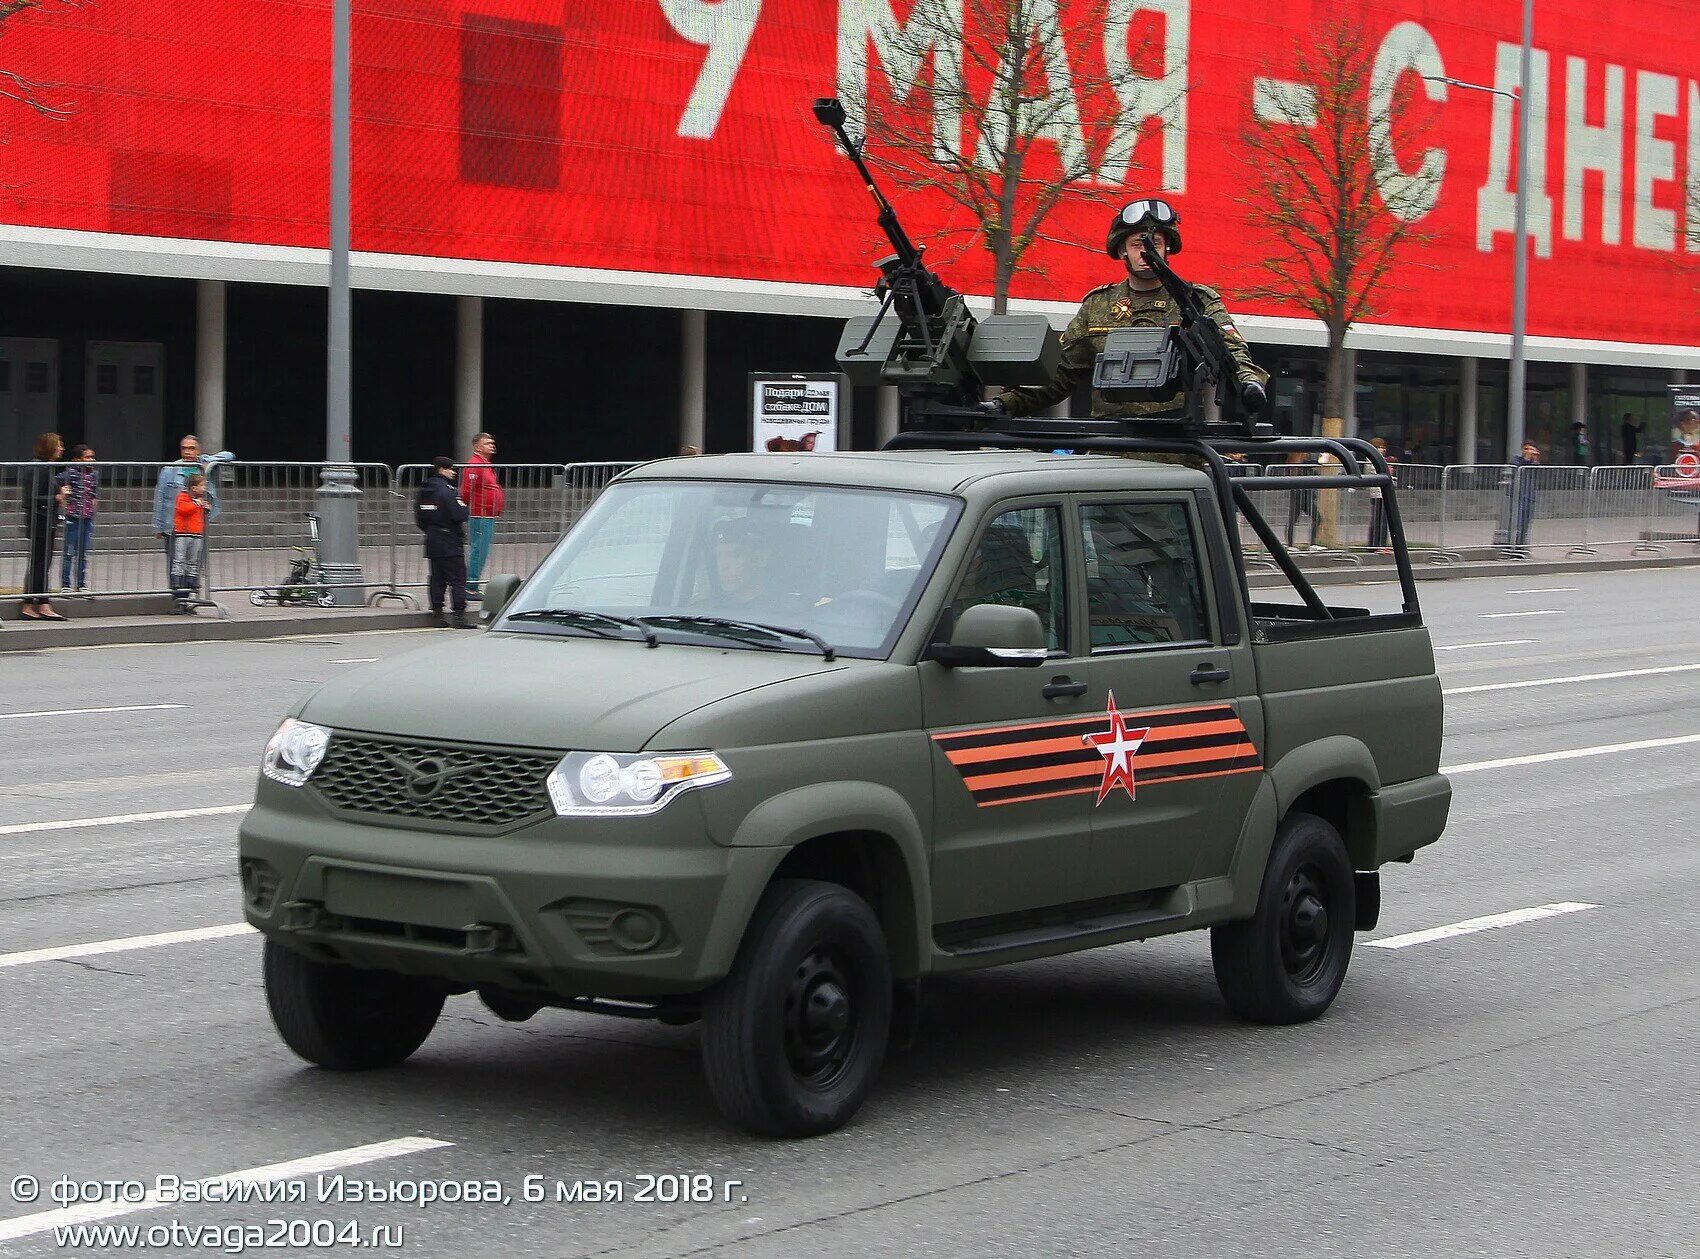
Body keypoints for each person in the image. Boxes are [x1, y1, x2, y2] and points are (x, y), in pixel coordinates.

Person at [993, 198, 1267, 421]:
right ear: (1123, 251)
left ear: (1167, 247)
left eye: (1155, 244)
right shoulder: (1098, 305)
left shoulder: (1196, 302)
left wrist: (1249, 383)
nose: (1146, 253)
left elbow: (1232, 351)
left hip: (1174, 446)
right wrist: (1005, 404)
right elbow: (1059, 375)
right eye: (1137, 245)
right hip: (1109, 442)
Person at [153, 435, 221, 593]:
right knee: (176, 564)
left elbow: (229, 456)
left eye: (192, 448)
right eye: (184, 448)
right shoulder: (170, 469)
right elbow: (160, 497)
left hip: (197, 527)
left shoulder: (204, 467)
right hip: (175, 526)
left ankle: (190, 599)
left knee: (194, 563)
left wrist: (206, 459)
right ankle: (179, 601)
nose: (187, 452)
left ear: (198, 450)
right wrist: (158, 526)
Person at [19, 432, 70, 621]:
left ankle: (39, 603)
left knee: (42, 564)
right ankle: (35, 603)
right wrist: (56, 497)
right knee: (39, 564)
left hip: (47, 520)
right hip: (39, 521)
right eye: (59, 445)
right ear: (49, 446)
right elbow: (30, 499)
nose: (61, 448)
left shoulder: (46, 468)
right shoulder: (37, 468)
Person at [416, 456, 470, 627]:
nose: (454, 472)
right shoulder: (448, 491)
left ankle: (437, 615)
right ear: (442, 470)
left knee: (437, 578)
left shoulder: (424, 491)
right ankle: (459, 616)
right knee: (457, 578)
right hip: (450, 540)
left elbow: (419, 519)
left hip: (432, 538)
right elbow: (460, 515)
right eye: (451, 469)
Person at [460, 432, 505, 596]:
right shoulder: (476, 465)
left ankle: (472, 584)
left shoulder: (485, 464)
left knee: (481, 550)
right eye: (487, 443)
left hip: (487, 514)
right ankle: (470, 587)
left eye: (492, 442)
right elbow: (466, 490)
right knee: (479, 550)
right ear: (477, 446)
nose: (492, 445)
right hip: (480, 514)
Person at [56, 444, 99, 592]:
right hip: (73, 517)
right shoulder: (71, 473)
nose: (91, 460)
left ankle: (81, 583)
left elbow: (93, 493)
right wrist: (62, 495)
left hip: (87, 518)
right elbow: (56, 481)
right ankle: (65, 584)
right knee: (69, 552)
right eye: (87, 457)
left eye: (92, 457)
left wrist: (93, 505)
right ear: (77, 459)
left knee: (83, 553)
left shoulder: (94, 474)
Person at [169, 472, 212, 612]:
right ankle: (177, 582)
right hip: (183, 533)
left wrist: (206, 508)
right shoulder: (182, 496)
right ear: (193, 488)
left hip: (196, 534)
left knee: (193, 561)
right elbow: (183, 509)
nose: (204, 488)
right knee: (180, 559)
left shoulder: (200, 500)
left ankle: (191, 581)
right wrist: (196, 504)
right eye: (202, 486)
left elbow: (199, 514)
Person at [1366, 436, 1396, 553]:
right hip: (1378, 493)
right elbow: (1376, 471)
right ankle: (1376, 545)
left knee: (1383, 519)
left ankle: (1380, 544)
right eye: (1379, 447)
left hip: (1383, 492)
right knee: (1379, 520)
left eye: (1383, 447)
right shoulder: (1372, 458)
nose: (1382, 449)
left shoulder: (1380, 458)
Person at [1509, 441, 1541, 548]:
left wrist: (1535, 460)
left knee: (1526, 524)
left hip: (1529, 496)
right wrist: (1526, 459)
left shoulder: (1533, 463)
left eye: (1531, 449)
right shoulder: (1516, 460)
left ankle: (1521, 546)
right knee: (1516, 522)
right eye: (1526, 449)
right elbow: (1516, 469)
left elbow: (1538, 473)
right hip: (1518, 496)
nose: (1529, 452)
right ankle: (1512, 545)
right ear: (1522, 450)